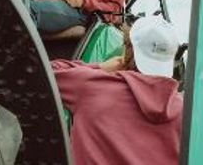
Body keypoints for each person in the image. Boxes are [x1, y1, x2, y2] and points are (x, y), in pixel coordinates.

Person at [51, 16, 183, 165]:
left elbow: (45, 70)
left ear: (127, 49)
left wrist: (100, 67)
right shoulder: (186, 113)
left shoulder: (91, 87)